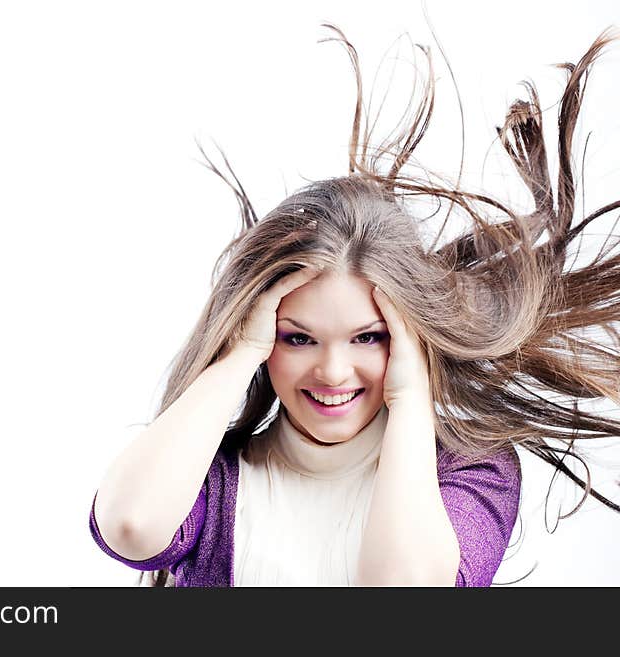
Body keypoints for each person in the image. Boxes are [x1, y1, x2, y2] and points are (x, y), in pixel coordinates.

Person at [88, 24, 620, 586]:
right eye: (298, 338)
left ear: (409, 337)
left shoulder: (472, 471)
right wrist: (238, 351)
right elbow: (128, 524)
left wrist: (413, 396)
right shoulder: (215, 477)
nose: (333, 371)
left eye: (368, 337)